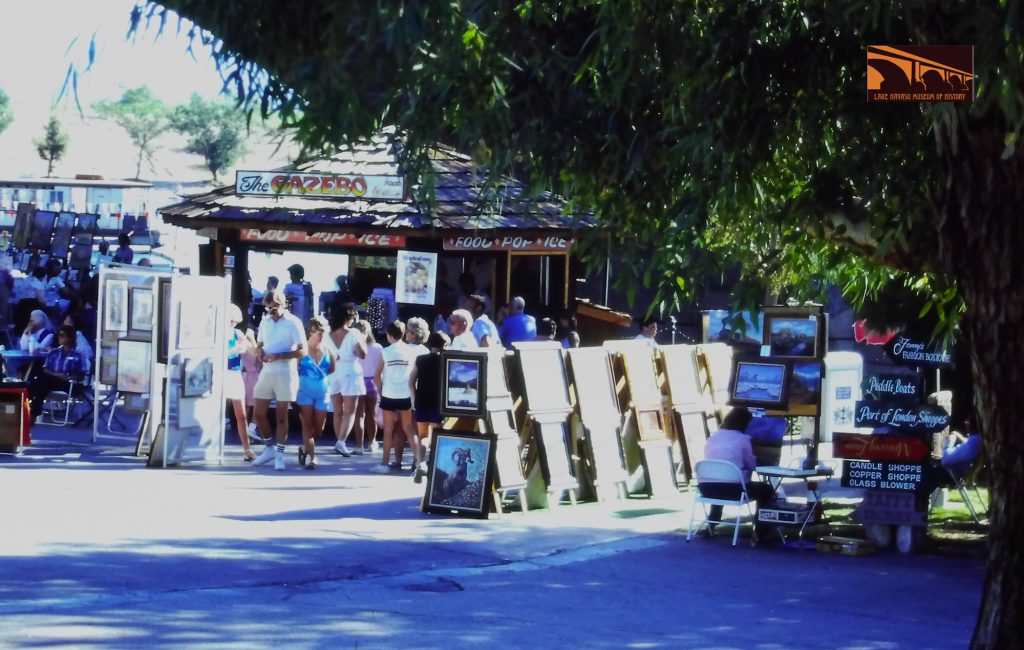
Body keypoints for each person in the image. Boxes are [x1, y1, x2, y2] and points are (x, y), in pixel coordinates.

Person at [251, 289, 308, 471]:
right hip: (267, 372)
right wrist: (259, 352)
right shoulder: (265, 321)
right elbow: (260, 345)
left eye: (273, 308)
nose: (270, 312)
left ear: (283, 305)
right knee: (259, 413)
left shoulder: (293, 322)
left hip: (285, 372)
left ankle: (280, 454)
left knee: (281, 416)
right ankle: (269, 449)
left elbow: (303, 350)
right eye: (267, 309)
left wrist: (280, 355)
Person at [701, 407, 777, 534]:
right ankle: (762, 530)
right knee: (766, 489)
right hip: (733, 491)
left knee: (721, 479)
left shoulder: (712, 438)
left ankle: (712, 522)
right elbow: (751, 464)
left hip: (706, 489)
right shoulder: (743, 439)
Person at [372, 320, 417, 474]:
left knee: (388, 429)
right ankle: (419, 462)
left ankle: (385, 463)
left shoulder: (385, 352)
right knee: (408, 428)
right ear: (404, 334)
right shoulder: (410, 351)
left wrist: (380, 392)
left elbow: (376, 376)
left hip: (389, 393)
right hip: (405, 393)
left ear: (389, 335)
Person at [409, 330, 450, 482]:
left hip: (422, 401)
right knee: (438, 434)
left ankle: (421, 463)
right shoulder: (446, 360)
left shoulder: (420, 359)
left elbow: (411, 381)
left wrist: (414, 398)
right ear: (445, 345)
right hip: (438, 403)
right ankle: (436, 464)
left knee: (423, 435)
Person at [296, 315, 335, 470]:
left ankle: (304, 448)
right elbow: (294, 369)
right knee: (307, 424)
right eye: (320, 333)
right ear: (311, 332)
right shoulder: (302, 349)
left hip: (322, 392)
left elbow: (332, 369)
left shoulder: (328, 350)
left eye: (324, 333)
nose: (322, 336)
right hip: (304, 391)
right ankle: (312, 458)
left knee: (319, 429)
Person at [328, 302, 366, 457]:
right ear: (349, 317)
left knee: (337, 410)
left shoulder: (328, 334)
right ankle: (341, 442)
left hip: (333, 371)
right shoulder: (354, 333)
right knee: (350, 411)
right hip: (350, 370)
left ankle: (339, 441)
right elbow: (362, 354)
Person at [27, 325, 86, 421]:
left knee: (40, 381)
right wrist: (57, 375)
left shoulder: (78, 355)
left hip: (69, 383)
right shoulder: (54, 352)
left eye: (62, 335)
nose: (59, 337)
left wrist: (68, 377)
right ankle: (35, 411)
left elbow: (82, 374)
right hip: (52, 381)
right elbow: (45, 369)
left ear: (69, 338)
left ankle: (27, 400)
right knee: (43, 381)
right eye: (59, 335)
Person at [225, 303, 255, 462]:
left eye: (235, 322)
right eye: (231, 321)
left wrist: (250, 339)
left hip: (235, 373)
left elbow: (252, 351)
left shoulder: (237, 333)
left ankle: (247, 449)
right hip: (221, 372)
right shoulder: (217, 332)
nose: (233, 324)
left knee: (241, 414)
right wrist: (235, 349)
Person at [352, 319, 381, 454]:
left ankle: (359, 446)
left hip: (358, 381)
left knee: (359, 415)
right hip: (373, 383)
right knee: (372, 414)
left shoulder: (354, 347)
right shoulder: (378, 348)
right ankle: (372, 442)